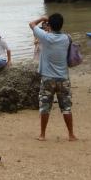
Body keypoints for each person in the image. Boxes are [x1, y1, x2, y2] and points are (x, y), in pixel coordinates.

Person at [29, 13, 77, 141]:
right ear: (61, 25)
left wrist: (43, 19)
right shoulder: (67, 38)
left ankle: (42, 135)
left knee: (45, 107)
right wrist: (49, 21)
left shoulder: (45, 37)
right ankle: (71, 135)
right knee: (66, 107)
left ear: (49, 25)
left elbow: (31, 24)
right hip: (63, 77)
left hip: (48, 78)